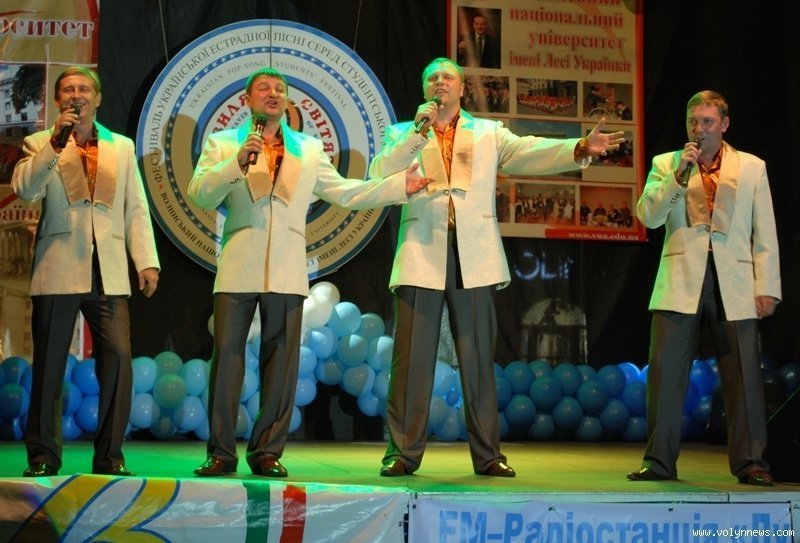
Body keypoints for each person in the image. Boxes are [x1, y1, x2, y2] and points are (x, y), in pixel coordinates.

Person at [370, 57, 624, 477]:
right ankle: (402, 453)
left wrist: (578, 148)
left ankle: (488, 455)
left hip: (474, 254)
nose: (439, 82)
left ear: (462, 88)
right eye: (432, 77)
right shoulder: (402, 132)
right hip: (421, 251)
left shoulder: (488, 132)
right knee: (411, 360)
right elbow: (380, 173)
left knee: (476, 359)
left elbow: (529, 150)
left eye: (447, 77)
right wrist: (417, 133)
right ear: (424, 89)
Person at [188, 68, 430, 478]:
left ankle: (267, 452)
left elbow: (345, 193)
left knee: (281, 364)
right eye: (263, 88)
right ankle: (221, 453)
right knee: (227, 359)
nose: (272, 93)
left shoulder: (309, 149)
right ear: (247, 100)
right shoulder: (225, 143)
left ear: (287, 101)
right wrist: (237, 162)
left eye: (279, 89)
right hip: (238, 265)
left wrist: (396, 187)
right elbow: (200, 194)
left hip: (287, 268)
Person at [11, 66, 160, 477]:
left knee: (118, 359)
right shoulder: (40, 142)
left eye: (83, 89)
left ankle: (110, 456)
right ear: (58, 100)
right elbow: (25, 189)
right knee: (50, 365)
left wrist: (146, 261)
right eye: (68, 90)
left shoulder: (121, 146)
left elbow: (135, 207)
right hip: (59, 264)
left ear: (97, 98)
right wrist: (56, 143)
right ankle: (43, 455)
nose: (76, 95)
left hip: (107, 269)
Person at [628, 90, 781, 486]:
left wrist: (767, 286)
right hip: (681, 277)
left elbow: (765, 232)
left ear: (724, 124)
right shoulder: (667, 164)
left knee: (744, 374)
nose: (699, 129)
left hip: (735, 279)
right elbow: (649, 216)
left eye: (707, 122)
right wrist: (679, 175)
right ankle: (659, 461)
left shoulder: (752, 167)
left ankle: (751, 462)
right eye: (693, 122)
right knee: (666, 371)